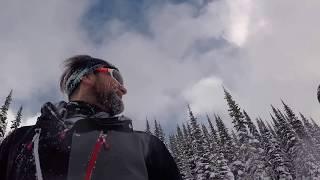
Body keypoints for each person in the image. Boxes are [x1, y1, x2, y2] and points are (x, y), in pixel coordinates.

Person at [0, 55, 182, 180]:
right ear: (87, 76)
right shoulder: (19, 142)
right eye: (116, 77)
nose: (124, 89)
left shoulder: (147, 146)